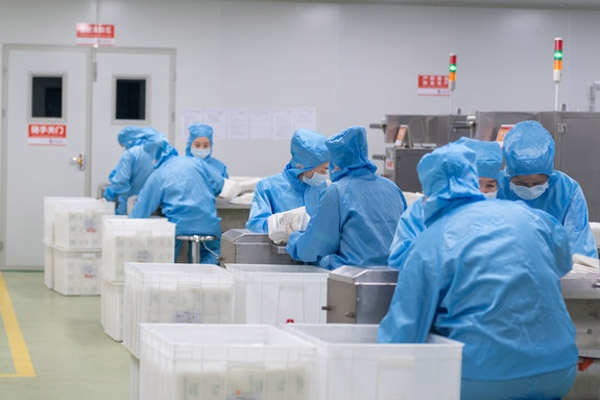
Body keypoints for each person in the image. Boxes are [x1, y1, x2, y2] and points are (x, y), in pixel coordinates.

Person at [378, 142, 577, 400]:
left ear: (429, 195)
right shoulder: (527, 215)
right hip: (559, 368)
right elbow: (563, 262)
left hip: (486, 377)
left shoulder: (430, 242)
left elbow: (404, 330)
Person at [286, 126, 407, 270]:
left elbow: (317, 245)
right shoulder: (392, 188)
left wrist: (293, 240)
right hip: (392, 276)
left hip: (351, 277)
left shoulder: (336, 192)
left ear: (335, 162)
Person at [388, 137, 503, 269]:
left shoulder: (500, 214)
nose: (482, 192)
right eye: (475, 184)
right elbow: (401, 259)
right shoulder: (419, 213)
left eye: (490, 186)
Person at [498, 120, 597, 258]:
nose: (530, 189)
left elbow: (579, 249)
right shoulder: (495, 188)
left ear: (549, 175)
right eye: (521, 184)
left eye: (538, 183)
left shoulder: (567, 191)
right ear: (509, 175)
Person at [129, 139, 224, 263]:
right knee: (214, 251)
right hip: (209, 224)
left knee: (167, 255)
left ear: (155, 158)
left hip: (179, 226)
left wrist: (127, 226)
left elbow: (143, 208)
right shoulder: (195, 162)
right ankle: (204, 272)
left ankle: (175, 273)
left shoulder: (158, 174)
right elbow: (219, 183)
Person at [246, 129, 329, 233]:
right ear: (305, 166)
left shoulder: (320, 187)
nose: (324, 175)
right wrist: (282, 225)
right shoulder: (268, 187)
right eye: (322, 170)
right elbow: (255, 225)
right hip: (280, 244)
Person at [104, 126, 164, 215]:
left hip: (129, 207)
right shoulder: (160, 152)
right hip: (154, 207)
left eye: (124, 145)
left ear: (129, 141)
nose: (125, 148)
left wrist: (108, 195)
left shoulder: (131, 154)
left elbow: (121, 182)